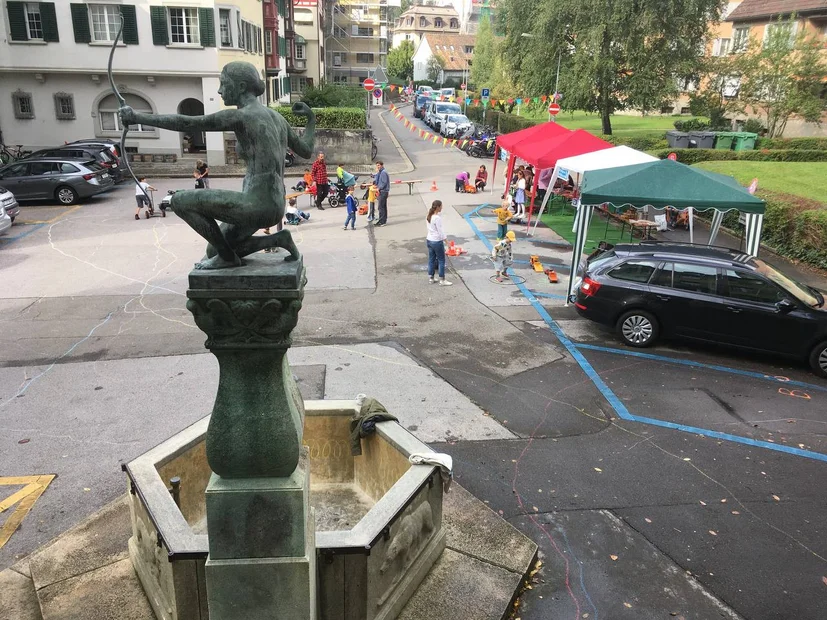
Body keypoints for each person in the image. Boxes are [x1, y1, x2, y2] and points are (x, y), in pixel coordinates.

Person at [119, 61, 316, 268]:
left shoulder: (241, 115)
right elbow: (305, 149)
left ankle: (228, 259)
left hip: (256, 205)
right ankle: (278, 239)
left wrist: (137, 117)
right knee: (214, 248)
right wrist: (310, 120)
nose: (220, 90)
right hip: (275, 203)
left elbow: (187, 123)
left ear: (240, 87)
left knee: (179, 201)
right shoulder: (277, 118)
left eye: (223, 83)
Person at [426, 200, 452, 286]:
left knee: (431, 259)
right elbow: (441, 232)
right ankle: (442, 279)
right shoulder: (437, 218)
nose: (442, 208)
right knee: (441, 260)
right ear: (437, 207)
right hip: (437, 241)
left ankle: (431, 278)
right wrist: (447, 242)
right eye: (441, 206)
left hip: (429, 240)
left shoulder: (429, 216)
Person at [374, 160, 390, 226]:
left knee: (381, 207)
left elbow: (384, 182)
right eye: (377, 165)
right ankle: (382, 220)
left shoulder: (383, 173)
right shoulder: (380, 172)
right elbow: (377, 180)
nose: (378, 167)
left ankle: (382, 221)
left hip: (383, 191)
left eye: (379, 165)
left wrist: (379, 188)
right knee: (382, 206)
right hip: (382, 191)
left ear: (382, 165)